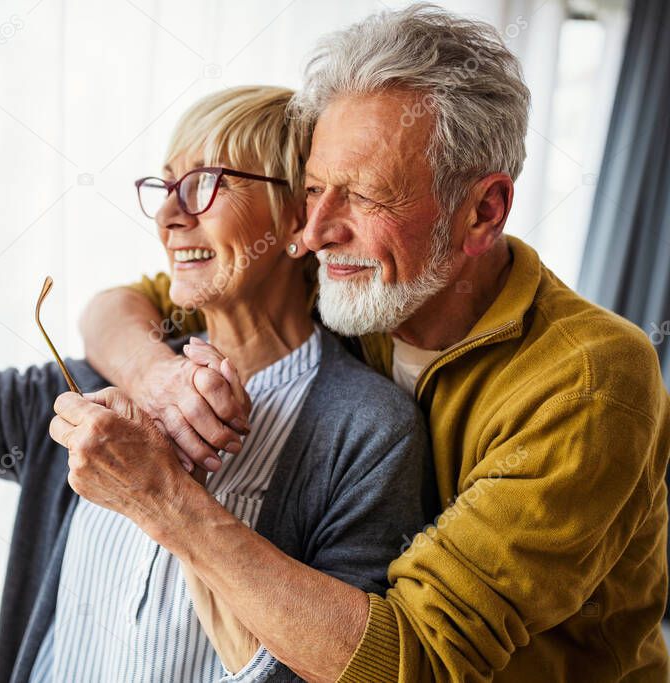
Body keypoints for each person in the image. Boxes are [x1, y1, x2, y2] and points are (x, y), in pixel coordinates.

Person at [59, 4, 670, 681]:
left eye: (365, 196)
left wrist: (164, 500)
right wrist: (158, 378)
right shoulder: (354, 281)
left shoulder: (591, 380)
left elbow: (416, 661)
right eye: (314, 189)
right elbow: (124, 305)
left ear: (483, 211)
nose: (316, 231)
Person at [0, 32, 433, 682]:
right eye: (164, 185)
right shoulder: (105, 380)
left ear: (295, 222)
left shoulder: (367, 432)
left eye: (203, 185)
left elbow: (339, 671)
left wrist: (164, 493)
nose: (169, 214)